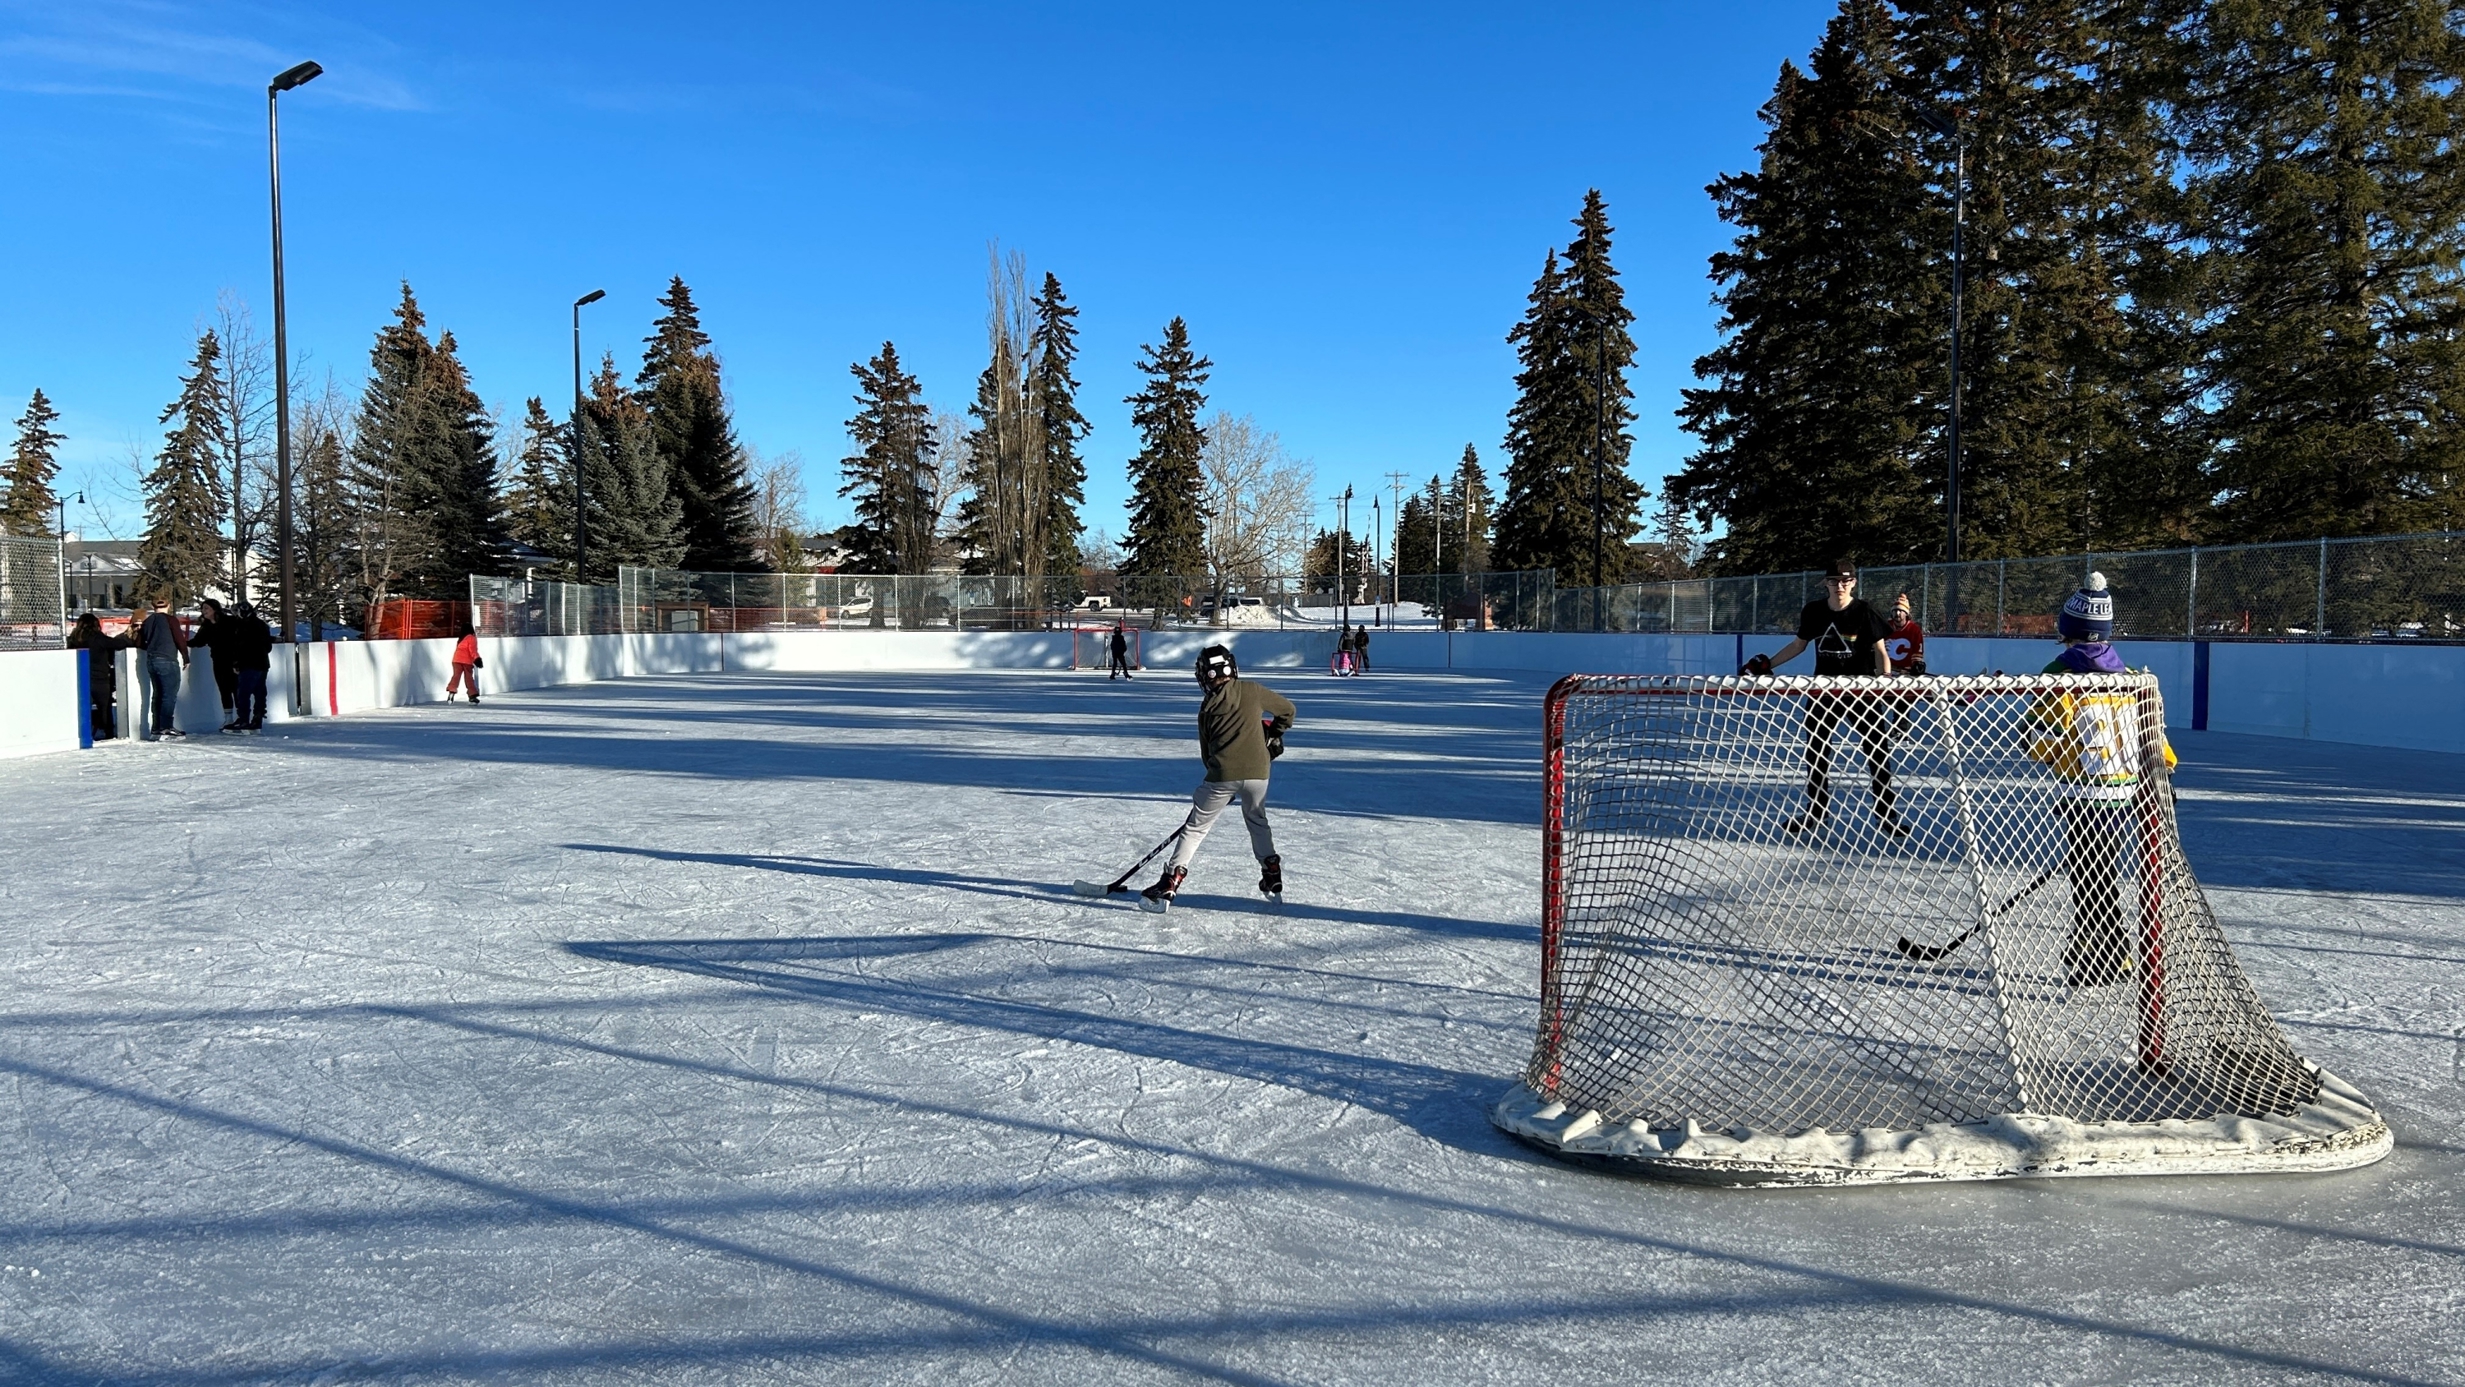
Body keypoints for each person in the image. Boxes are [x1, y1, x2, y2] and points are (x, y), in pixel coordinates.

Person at [2028, 572, 2176, 988]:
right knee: (2099, 872)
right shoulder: (2127, 673)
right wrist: (2164, 766)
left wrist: (2033, 740)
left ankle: (2108, 953)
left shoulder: (2059, 673)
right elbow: (2153, 734)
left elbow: (2043, 739)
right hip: (2124, 790)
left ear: (2067, 628)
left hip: (2082, 793)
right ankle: (2101, 951)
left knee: (2090, 878)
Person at [1745, 558, 1902, 836]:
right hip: (1823, 692)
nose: (1839, 586)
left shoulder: (1865, 611)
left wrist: (1885, 680)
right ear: (1825, 583)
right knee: (1816, 752)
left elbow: (1880, 651)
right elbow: (1798, 645)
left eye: (1845, 581)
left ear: (1853, 582)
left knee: (1877, 751)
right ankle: (1816, 811)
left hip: (1861, 692)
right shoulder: (1814, 611)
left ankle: (1886, 814)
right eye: (1833, 581)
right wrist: (1768, 664)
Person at [1142, 644, 1297, 909]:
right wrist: (1273, 734)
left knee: (1196, 828)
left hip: (1222, 775)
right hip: (1259, 773)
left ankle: (1171, 880)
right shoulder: (1252, 690)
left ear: (1205, 676)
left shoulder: (1207, 708)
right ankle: (1271, 871)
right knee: (1257, 820)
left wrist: (1222, 784)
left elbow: (1208, 756)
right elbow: (1287, 710)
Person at [65, 613, 131, 741]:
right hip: (100, 679)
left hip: (80, 678)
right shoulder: (98, 638)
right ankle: (108, 732)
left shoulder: (73, 639)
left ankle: (83, 733)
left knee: (83, 707)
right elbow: (118, 644)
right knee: (104, 708)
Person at [135, 597, 190, 739]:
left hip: (151, 660)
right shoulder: (170, 620)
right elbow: (179, 638)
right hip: (167, 659)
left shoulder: (148, 621)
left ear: (153, 606)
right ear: (169, 605)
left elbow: (139, 643)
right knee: (169, 695)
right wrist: (185, 657)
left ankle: (156, 728)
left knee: (158, 694)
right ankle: (166, 727)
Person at [187, 598, 240, 731]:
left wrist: (238, 660)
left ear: (215, 609)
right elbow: (199, 641)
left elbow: (240, 639)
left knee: (237, 689)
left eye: (206, 608)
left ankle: (242, 717)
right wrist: (183, 644)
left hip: (234, 660)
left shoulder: (230, 621)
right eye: (202, 609)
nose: (204, 611)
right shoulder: (207, 626)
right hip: (218, 661)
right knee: (224, 689)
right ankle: (228, 718)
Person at [224, 602, 275, 732]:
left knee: (243, 693)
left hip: (248, 664)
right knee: (259, 692)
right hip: (262, 663)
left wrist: (236, 663)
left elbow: (239, 647)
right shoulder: (261, 625)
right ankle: (257, 719)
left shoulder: (242, 626)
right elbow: (268, 646)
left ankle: (244, 720)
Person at [447, 623, 482, 704]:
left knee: (456, 676)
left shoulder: (461, 638)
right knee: (469, 678)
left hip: (456, 660)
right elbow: (472, 650)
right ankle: (472, 696)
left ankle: (451, 691)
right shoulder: (471, 638)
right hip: (466, 661)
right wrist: (477, 659)